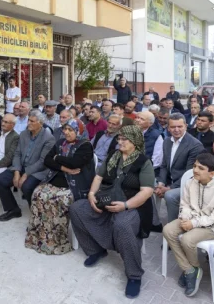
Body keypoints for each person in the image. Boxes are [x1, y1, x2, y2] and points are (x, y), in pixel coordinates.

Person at [69, 125, 156, 299]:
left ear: (136, 141)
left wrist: (125, 206)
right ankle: (95, 250)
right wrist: (92, 194)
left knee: (122, 224)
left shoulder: (143, 162)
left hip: (133, 205)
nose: (120, 142)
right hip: (108, 199)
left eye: (125, 139)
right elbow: (99, 177)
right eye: (119, 138)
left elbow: (146, 191)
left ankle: (134, 275)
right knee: (77, 208)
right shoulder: (113, 156)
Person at [163, 153, 214, 297]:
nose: (195, 170)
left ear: (212, 173)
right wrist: (185, 217)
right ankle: (190, 269)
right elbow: (185, 204)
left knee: (187, 239)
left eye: (201, 168)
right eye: (194, 166)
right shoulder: (191, 182)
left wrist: (193, 223)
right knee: (168, 230)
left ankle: (191, 269)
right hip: (192, 219)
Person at [26, 120, 95, 255]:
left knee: (58, 200)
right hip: (57, 178)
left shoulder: (85, 146)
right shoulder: (60, 142)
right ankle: (40, 234)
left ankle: (56, 238)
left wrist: (57, 158)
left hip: (75, 183)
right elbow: (47, 160)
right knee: (38, 194)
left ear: (78, 131)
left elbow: (75, 163)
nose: (66, 132)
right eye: (65, 129)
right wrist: (65, 167)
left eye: (70, 130)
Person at [0, 110, 56, 221]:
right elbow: (17, 154)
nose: (28, 124)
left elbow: (42, 161)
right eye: (28, 121)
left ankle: (37, 216)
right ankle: (13, 209)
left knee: (26, 186)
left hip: (38, 170)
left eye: (32, 121)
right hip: (20, 166)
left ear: (40, 123)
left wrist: (26, 174)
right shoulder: (24, 134)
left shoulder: (48, 138)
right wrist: (17, 172)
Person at [156, 113, 206, 221]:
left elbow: (190, 173)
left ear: (186, 126)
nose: (176, 130)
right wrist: (161, 183)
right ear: (168, 128)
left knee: (170, 195)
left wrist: (169, 188)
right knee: (149, 187)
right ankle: (154, 222)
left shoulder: (195, 145)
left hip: (188, 183)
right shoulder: (166, 142)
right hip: (170, 180)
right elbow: (164, 165)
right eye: (173, 127)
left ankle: (172, 226)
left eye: (180, 126)